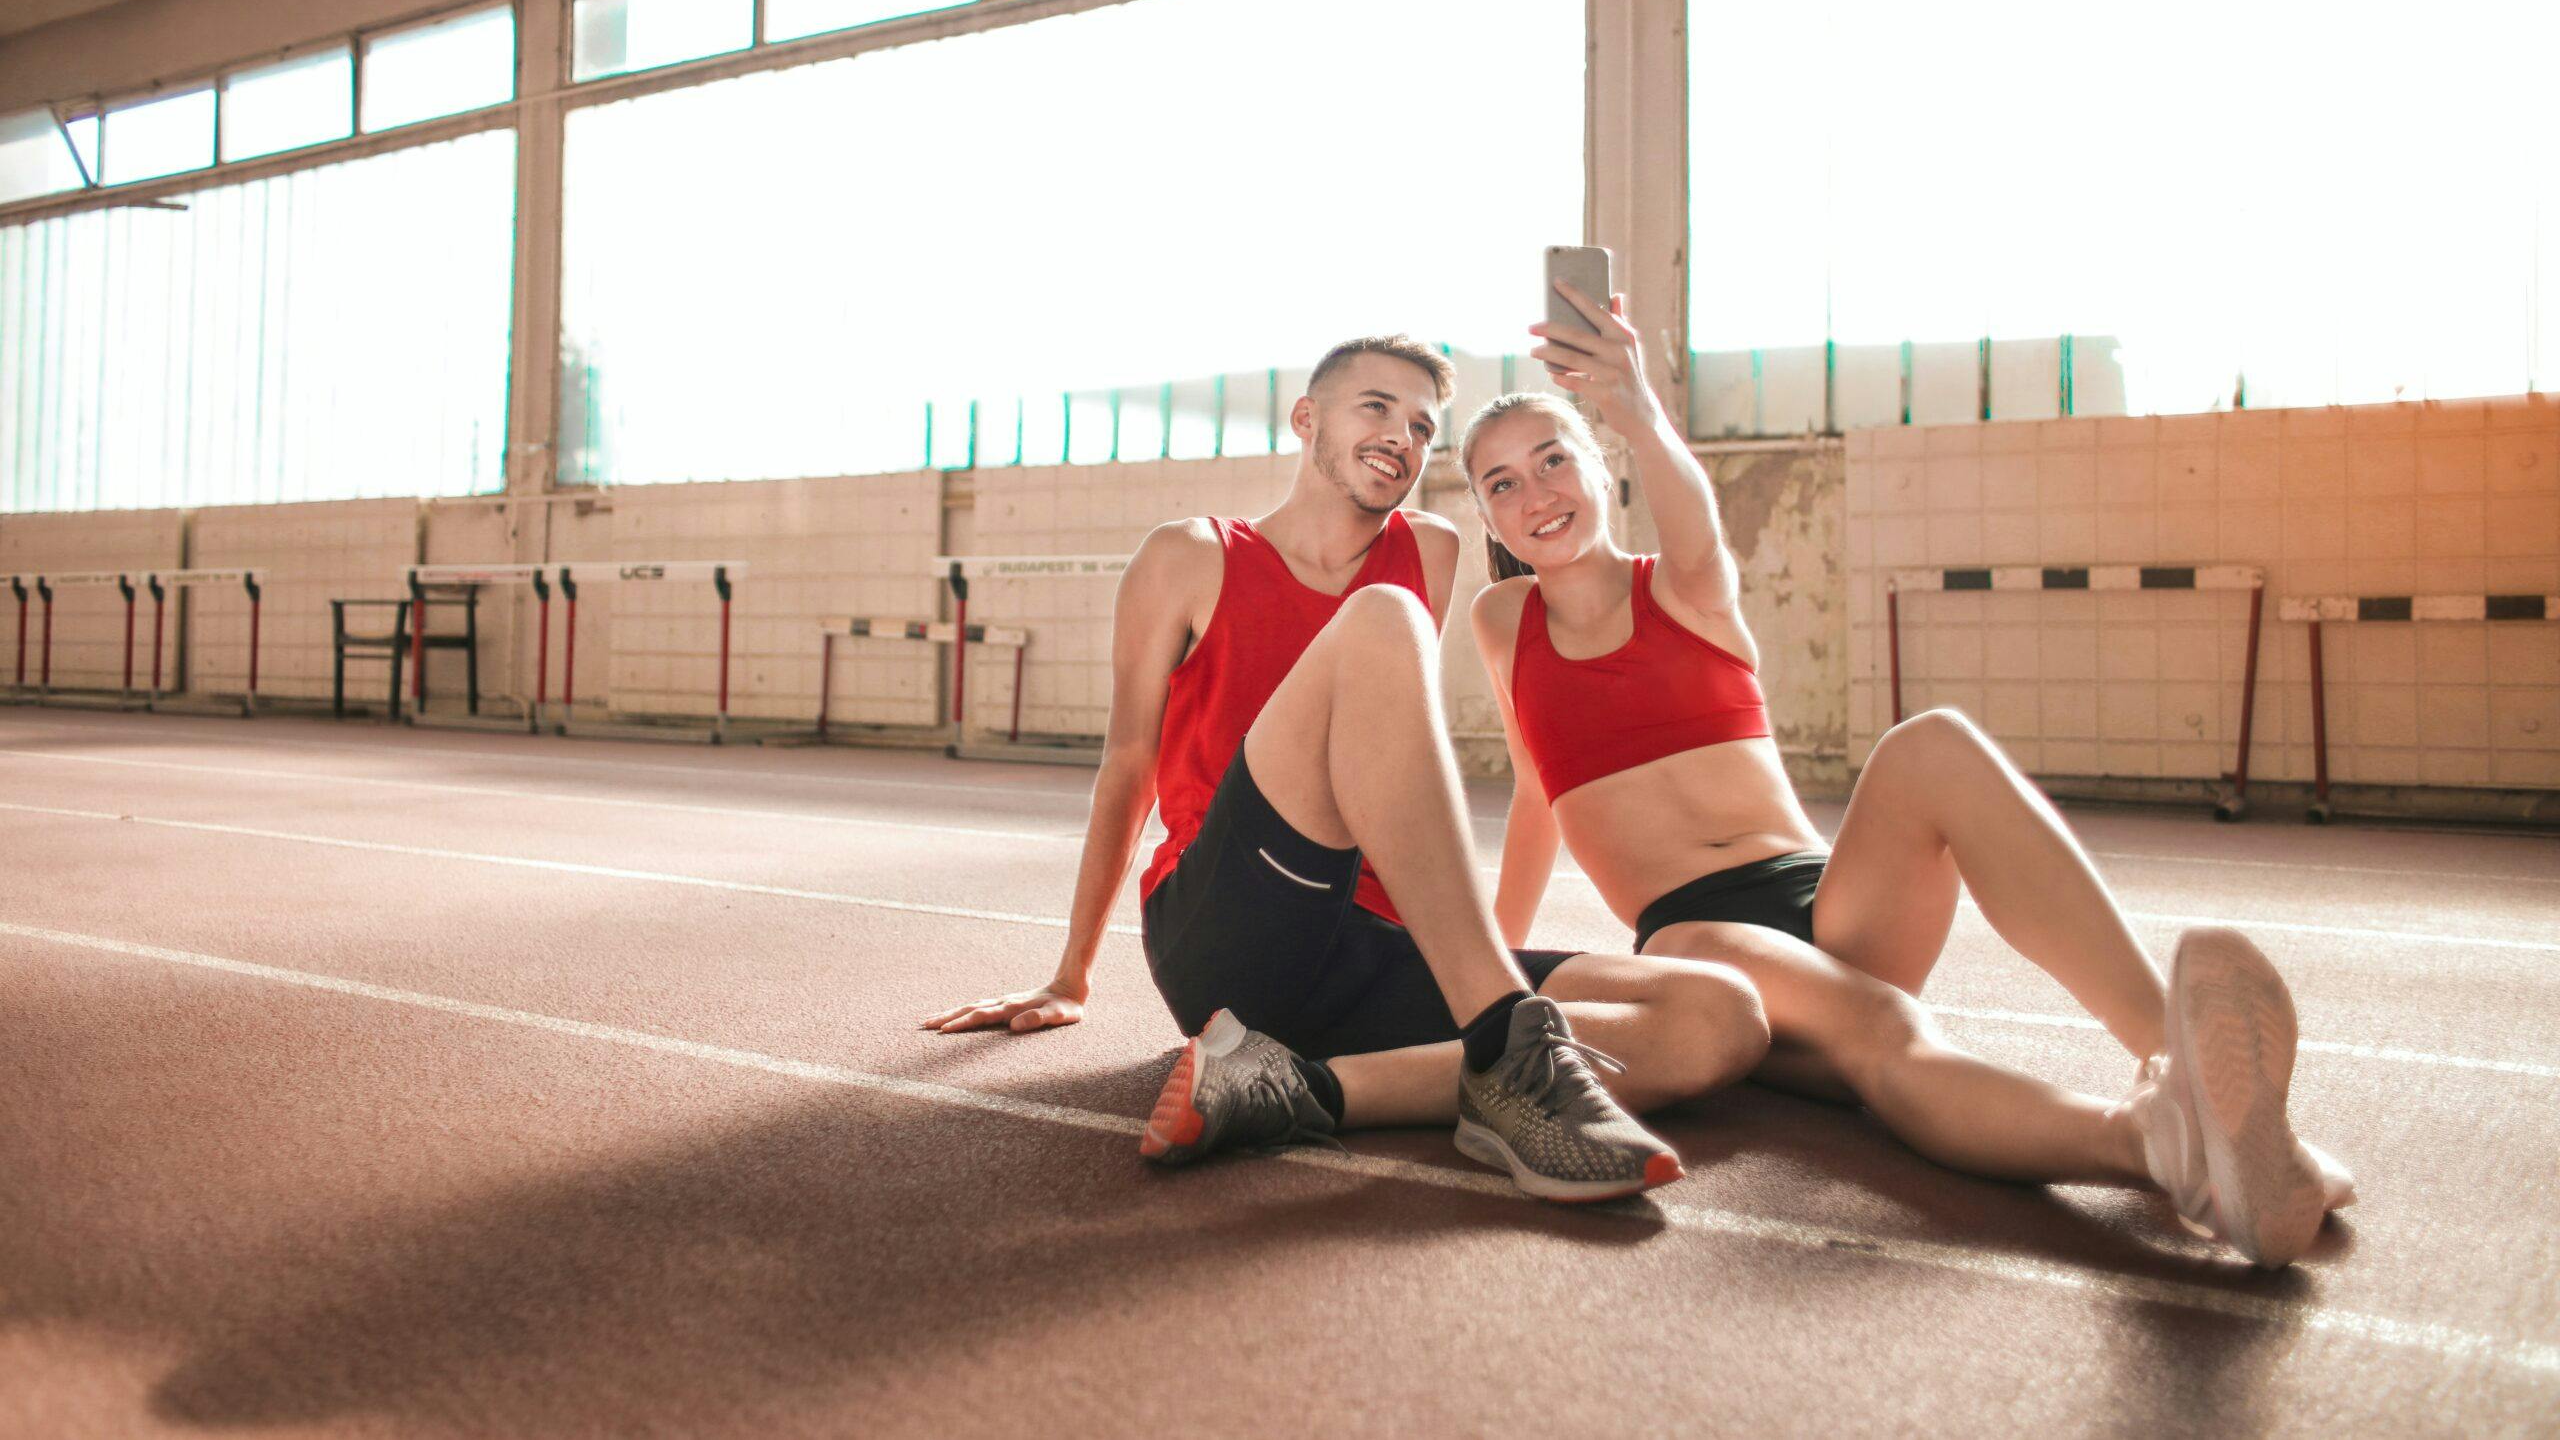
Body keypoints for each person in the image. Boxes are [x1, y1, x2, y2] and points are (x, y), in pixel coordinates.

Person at [1456, 284, 2353, 1264]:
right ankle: (2160, 1147)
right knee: (1887, 1024)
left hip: (1827, 896)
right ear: (1488, 519)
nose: (1535, 493)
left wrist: (1632, 398)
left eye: (1554, 460)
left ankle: (2179, 1068)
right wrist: (1489, 965)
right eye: (1501, 483)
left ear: (1604, 473)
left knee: (1932, 742)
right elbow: (1542, 785)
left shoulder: (1684, 586)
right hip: (1699, 932)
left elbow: (1696, 519)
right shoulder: (1502, 626)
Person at [923, 335, 1769, 1202]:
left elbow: (1387, 751)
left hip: (1367, 954)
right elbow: (1129, 767)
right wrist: (1073, 973)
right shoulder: (1188, 555)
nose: (1401, 434)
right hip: (1228, 932)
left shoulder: (1432, 550)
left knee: (1721, 1016)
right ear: (1305, 418)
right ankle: (1506, 1036)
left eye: (1420, 424)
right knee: (1381, 620)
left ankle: (1301, 1090)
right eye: (1376, 406)